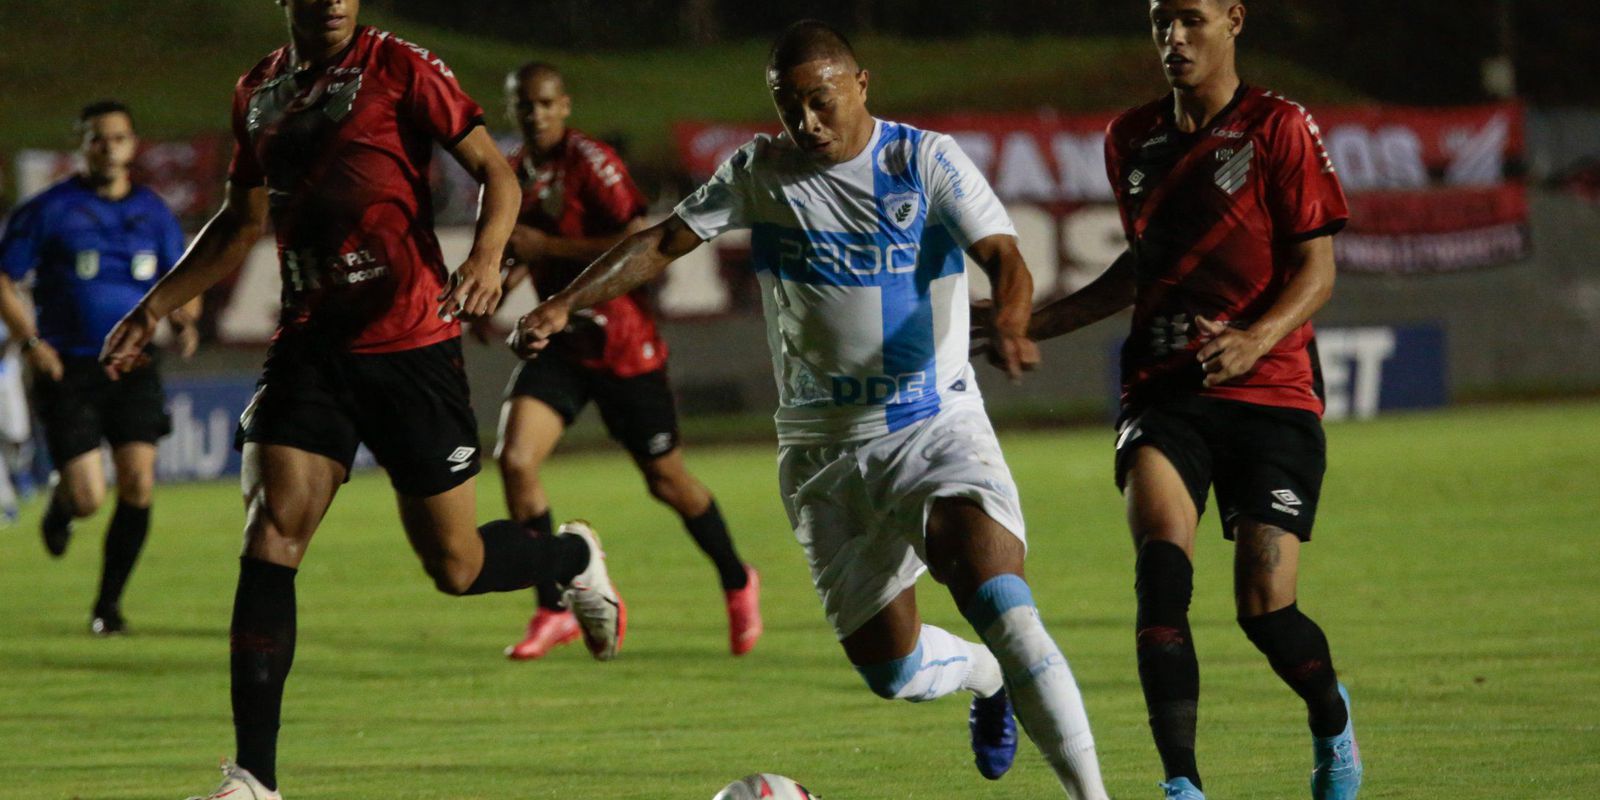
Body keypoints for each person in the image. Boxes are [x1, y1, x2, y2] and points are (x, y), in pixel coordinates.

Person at [511, 21, 1111, 799]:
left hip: (932, 426)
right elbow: (662, 242)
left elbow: (1003, 255)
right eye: (789, 107)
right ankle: (985, 675)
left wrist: (1018, 319)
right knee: (891, 671)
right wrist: (564, 303)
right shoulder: (761, 170)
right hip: (822, 452)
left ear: (861, 85)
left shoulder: (922, 159)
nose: (807, 123)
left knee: (1004, 603)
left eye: (820, 101)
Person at [98, 2, 624, 798]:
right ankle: (255, 779)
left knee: (456, 564)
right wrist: (152, 309)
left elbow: (498, 173)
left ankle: (572, 557)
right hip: (310, 347)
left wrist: (484, 258)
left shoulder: (401, 67)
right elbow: (239, 223)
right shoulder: (259, 90)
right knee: (271, 531)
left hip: (411, 343)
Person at [1015, 1, 1364, 797]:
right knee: (1161, 579)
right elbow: (1143, 267)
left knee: (1265, 610)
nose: (1173, 37)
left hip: (1271, 393)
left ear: (1234, 20)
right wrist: (1034, 321)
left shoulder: (1279, 127)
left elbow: (1317, 273)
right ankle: (1182, 785)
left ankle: (1331, 720)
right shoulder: (1129, 139)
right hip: (1163, 391)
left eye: (1192, 19)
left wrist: (1252, 339)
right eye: (1160, 21)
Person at [495, 62, 761, 660]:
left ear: (564, 105)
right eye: (523, 105)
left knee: (668, 482)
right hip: (563, 344)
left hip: (622, 345)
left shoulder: (592, 164)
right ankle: (552, 607)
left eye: (543, 103)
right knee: (515, 460)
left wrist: (546, 250)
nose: (534, 114)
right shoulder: (518, 171)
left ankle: (737, 579)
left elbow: (635, 238)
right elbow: (523, 247)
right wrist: (500, 286)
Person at [0, 100, 199, 633]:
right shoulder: (48, 210)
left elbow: (183, 278)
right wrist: (32, 342)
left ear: (133, 147)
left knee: (138, 482)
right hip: (69, 367)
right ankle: (63, 506)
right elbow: (4, 277)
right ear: (82, 145)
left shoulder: (154, 213)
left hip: (133, 365)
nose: (108, 147)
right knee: (90, 497)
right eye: (97, 138)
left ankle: (108, 608)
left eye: (118, 138)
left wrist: (186, 318)